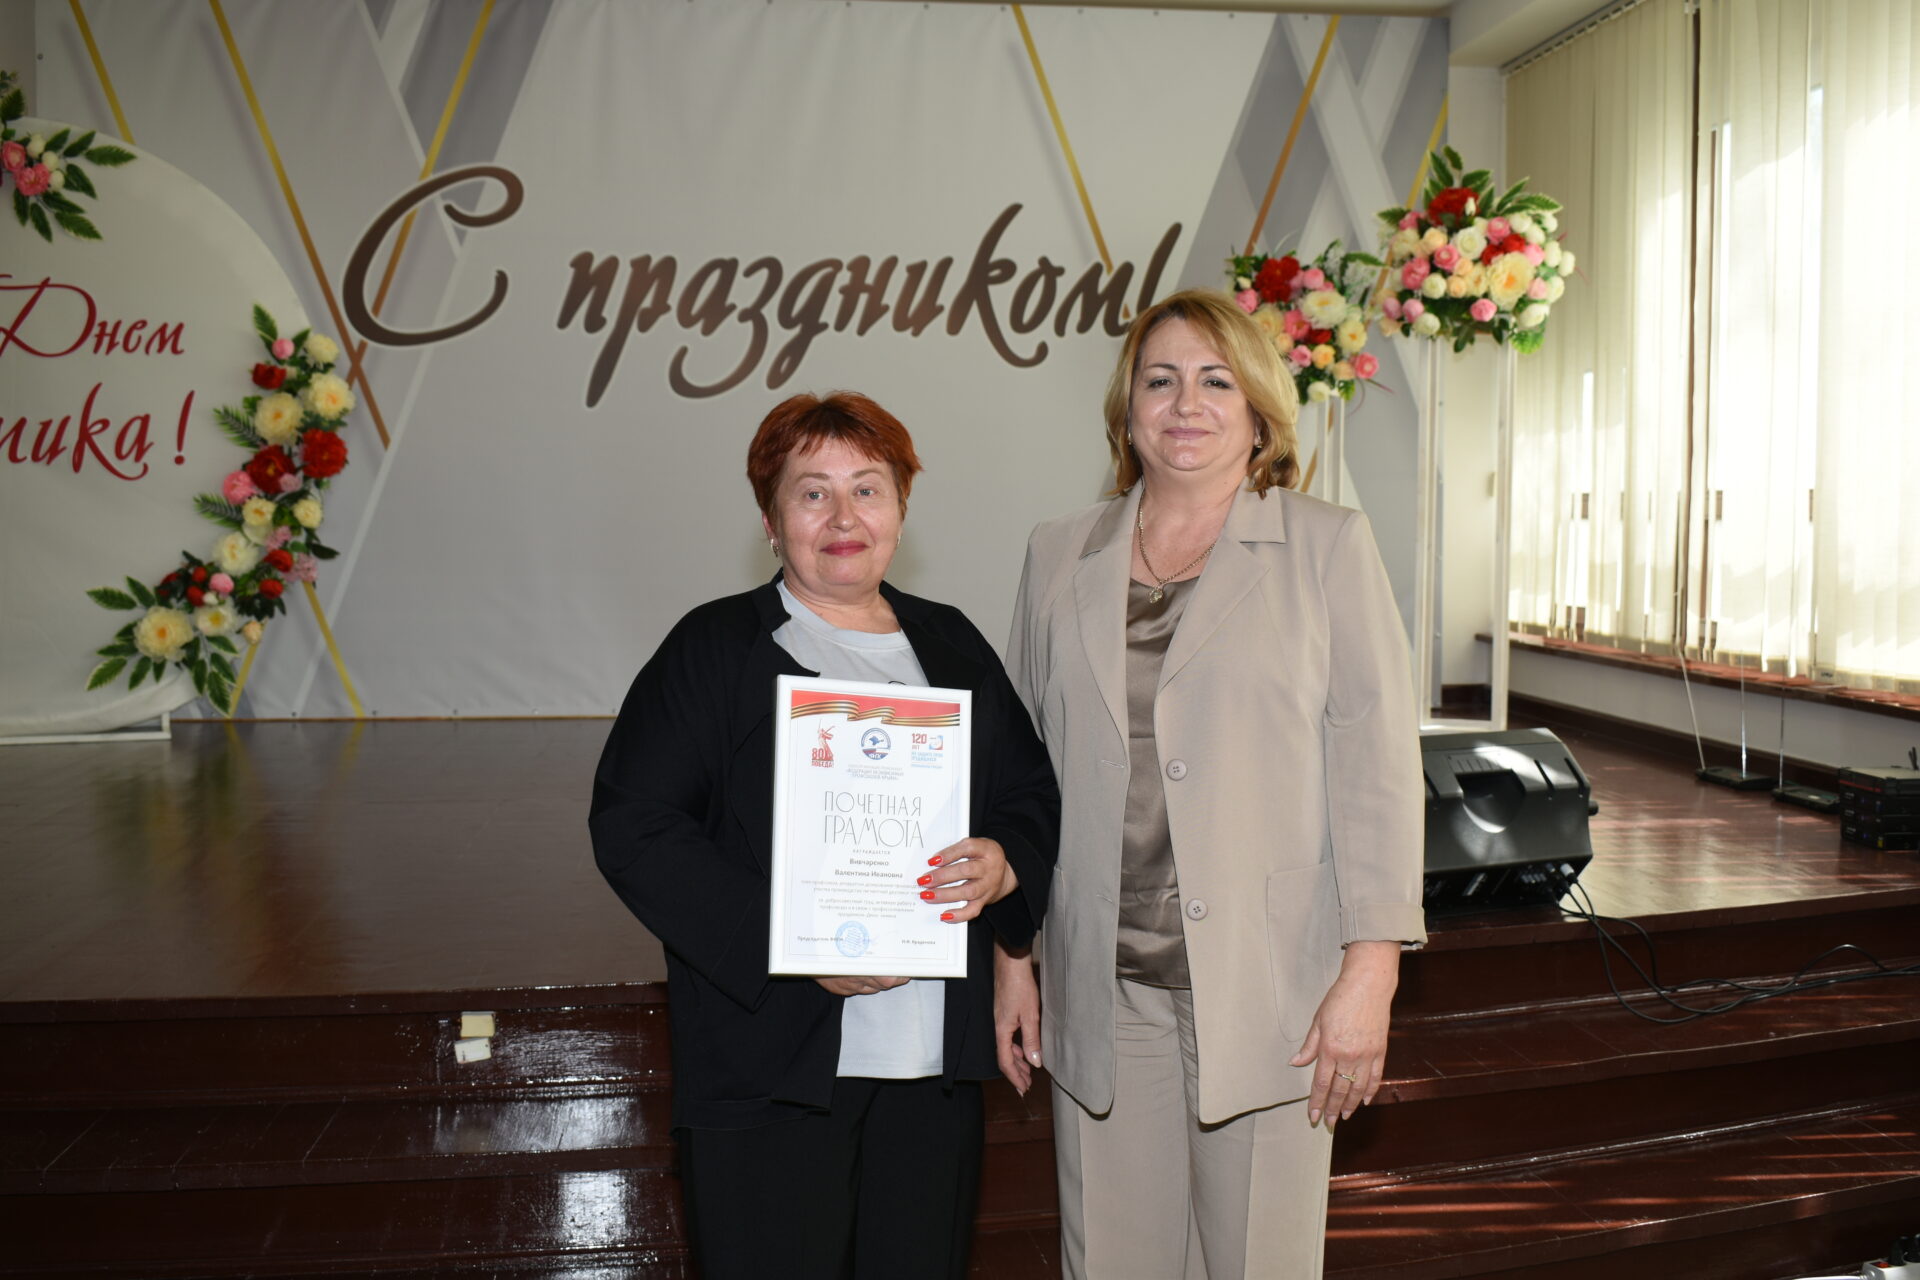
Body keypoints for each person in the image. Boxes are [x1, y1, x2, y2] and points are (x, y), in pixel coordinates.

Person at [994, 289, 1426, 1279]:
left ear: (1260, 411)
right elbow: (1020, 772)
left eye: (1215, 381)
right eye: (1161, 380)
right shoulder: (1058, 552)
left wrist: (1371, 972)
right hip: (1100, 986)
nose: (1186, 404)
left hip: (1271, 989)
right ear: (1128, 410)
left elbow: (1377, 774)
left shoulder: (1327, 546)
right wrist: (1013, 956)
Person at [590, 391, 1059, 1280]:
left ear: (901, 510)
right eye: (813, 493)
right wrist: (788, 938)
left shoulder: (952, 644)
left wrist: (1003, 874)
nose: (844, 517)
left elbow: (1027, 793)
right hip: (768, 1068)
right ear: (771, 521)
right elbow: (633, 825)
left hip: (931, 1071)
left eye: (867, 489)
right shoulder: (713, 649)